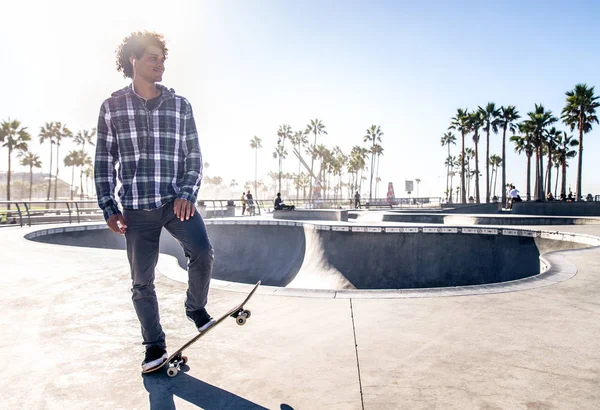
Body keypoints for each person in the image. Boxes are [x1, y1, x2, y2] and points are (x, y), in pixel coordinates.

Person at [94, 31, 215, 372]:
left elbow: (194, 155)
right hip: (135, 208)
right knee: (142, 281)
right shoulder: (112, 107)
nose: (160, 64)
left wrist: (187, 193)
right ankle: (154, 347)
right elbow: (103, 162)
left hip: (176, 201)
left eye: (163, 59)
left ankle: (195, 308)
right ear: (133, 60)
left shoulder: (180, 105)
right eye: (153, 58)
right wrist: (109, 208)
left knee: (202, 251)